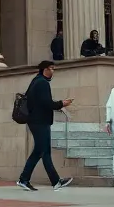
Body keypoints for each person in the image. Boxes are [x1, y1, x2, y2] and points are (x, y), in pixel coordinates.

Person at [17, 61, 74, 191]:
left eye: (54, 69)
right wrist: (62, 103)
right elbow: (47, 103)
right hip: (39, 122)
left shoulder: (36, 81)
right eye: (51, 68)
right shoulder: (42, 83)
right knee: (43, 151)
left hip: (37, 121)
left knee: (40, 152)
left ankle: (26, 179)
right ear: (44, 69)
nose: (53, 71)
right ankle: (53, 181)